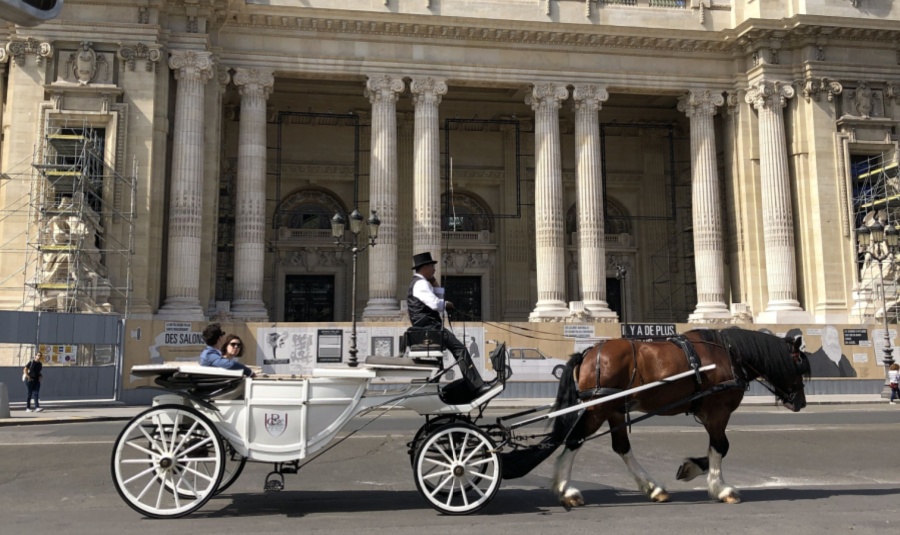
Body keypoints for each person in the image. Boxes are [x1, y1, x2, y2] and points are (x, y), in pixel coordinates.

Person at [408, 252, 487, 394]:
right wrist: (447, 305)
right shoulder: (420, 283)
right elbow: (434, 303)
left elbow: (439, 296)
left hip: (429, 328)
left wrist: (433, 281)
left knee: (440, 361)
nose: (434, 270)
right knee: (460, 349)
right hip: (430, 328)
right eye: (432, 266)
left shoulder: (423, 283)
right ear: (425, 267)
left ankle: (435, 391)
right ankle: (476, 385)